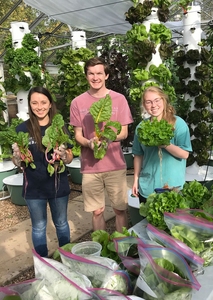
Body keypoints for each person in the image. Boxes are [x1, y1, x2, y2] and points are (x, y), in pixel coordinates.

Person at [69, 57, 133, 232]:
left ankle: (123, 246)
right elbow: (78, 135)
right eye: (91, 73)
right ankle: (102, 248)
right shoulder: (77, 102)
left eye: (99, 73)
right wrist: (89, 143)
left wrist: (108, 138)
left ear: (106, 75)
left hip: (114, 164)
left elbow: (124, 132)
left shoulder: (119, 99)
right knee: (97, 211)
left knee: (120, 209)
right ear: (86, 76)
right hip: (90, 167)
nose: (95, 77)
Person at [11, 86, 73, 257]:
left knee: (61, 223)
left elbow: (69, 155)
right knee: (38, 227)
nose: (40, 107)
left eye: (43, 102)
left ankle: (66, 259)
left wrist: (64, 156)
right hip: (33, 188)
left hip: (58, 185)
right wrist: (17, 156)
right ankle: (43, 264)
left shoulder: (59, 126)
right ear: (30, 105)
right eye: (35, 103)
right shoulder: (21, 129)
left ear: (50, 103)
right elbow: (17, 162)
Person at [132, 86, 192, 203]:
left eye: (157, 100)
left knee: (173, 221)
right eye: (148, 102)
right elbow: (138, 155)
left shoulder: (178, 123)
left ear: (163, 100)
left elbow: (185, 154)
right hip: (148, 187)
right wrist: (136, 180)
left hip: (173, 187)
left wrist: (165, 145)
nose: (153, 105)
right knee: (149, 221)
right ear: (144, 105)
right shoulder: (141, 127)